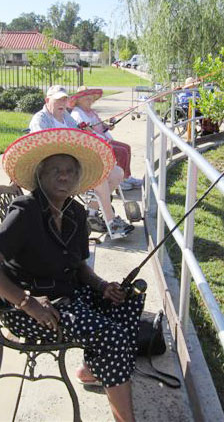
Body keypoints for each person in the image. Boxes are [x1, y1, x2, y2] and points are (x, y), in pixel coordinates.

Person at [0, 128, 145, 422]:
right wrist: (28, 302)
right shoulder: (25, 211)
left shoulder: (76, 213)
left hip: (68, 297)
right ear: (40, 175)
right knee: (112, 336)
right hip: (30, 310)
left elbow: (78, 266)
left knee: (129, 300)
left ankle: (93, 370)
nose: (63, 176)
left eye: (69, 171)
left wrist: (102, 286)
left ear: (78, 177)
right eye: (55, 170)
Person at [29, 85, 133, 238]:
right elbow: (42, 148)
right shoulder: (41, 119)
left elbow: (80, 136)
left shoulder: (66, 116)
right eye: (57, 100)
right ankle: (112, 223)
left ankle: (91, 213)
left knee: (117, 172)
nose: (62, 103)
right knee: (99, 176)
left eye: (64, 100)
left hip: (74, 165)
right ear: (47, 100)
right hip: (54, 171)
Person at [68, 86, 142, 191]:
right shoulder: (77, 114)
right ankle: (120, 182)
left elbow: (100, 126)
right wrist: (97, 135)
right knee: (121, 152)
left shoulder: (91, 112)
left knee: (127, 148)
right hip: (94, 145)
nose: (90, 101)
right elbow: (85, 133)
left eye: (91, 98)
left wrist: (108, 126)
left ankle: (126, 177)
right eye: (87, 98)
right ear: (79, 100)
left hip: (103, 140)